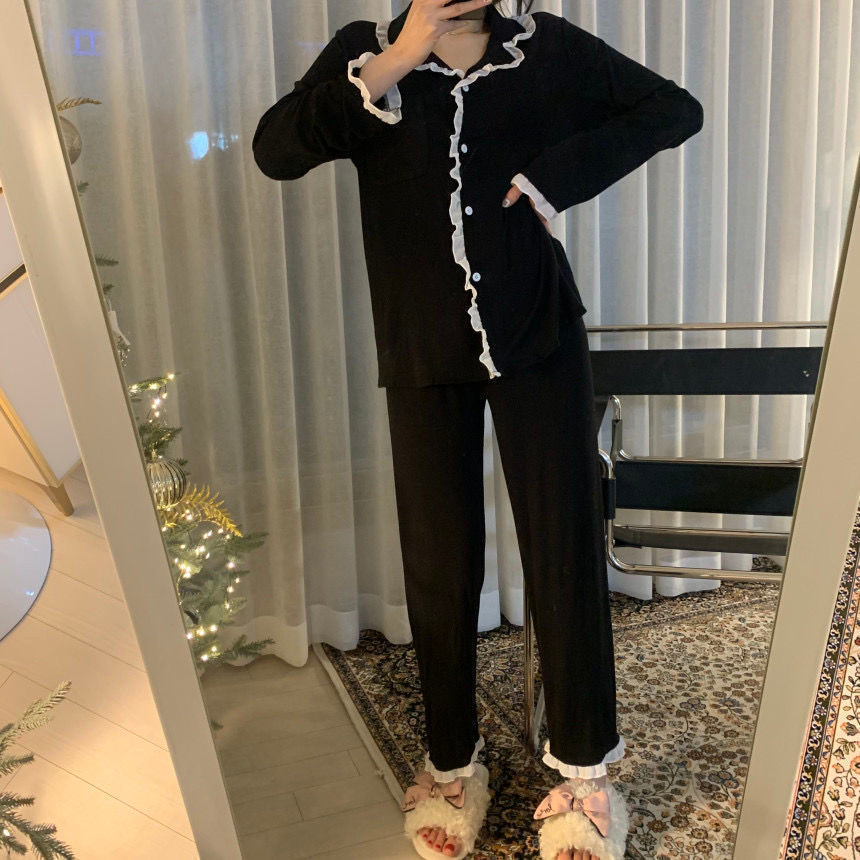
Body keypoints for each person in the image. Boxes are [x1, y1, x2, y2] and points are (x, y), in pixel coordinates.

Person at [252, 1, 704, 858]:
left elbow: (674, 108)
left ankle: (586, 774)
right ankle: (453, 760)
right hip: (421, 345)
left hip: (538, 334)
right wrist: (401, 56)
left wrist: (551, 177)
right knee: (438, 558)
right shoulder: (366, 54)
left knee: (563, 545)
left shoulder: (545, 46)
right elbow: (277, 151)